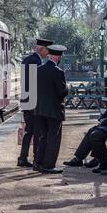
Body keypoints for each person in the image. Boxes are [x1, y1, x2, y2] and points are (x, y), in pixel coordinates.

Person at [18, 38, 54, 167]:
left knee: (29, 130)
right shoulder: (36, 62)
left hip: (27, 99)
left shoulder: (27, 60)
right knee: (37, 131)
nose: (48, 53)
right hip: (34, 101)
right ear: (42, 49)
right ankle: (36, 159)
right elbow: (35, 84)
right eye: (48, 50)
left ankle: (23, 158)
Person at [34, 44, 69, 174]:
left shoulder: (38, 69)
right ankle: (48, 165)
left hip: (39, 109)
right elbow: (62, 92)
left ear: (49, 55)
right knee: (53, 138)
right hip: (54, 110)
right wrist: (67, 87)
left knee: (43, 136)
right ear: (59, 57)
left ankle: (38, 163)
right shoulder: (58, 72)